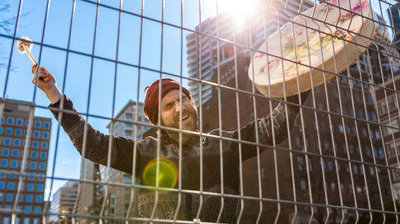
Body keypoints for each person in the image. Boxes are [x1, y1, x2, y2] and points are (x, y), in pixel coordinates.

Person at [32, 64, 307, 222]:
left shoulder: (223, 144)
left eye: (182, 99)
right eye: (168, 106)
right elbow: (92, 145)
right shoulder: (145, 152)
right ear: (158, 121)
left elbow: (272, 128)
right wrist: (54, 95)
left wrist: (301, 80)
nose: (179, 108)